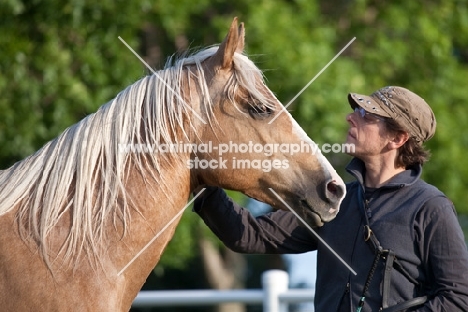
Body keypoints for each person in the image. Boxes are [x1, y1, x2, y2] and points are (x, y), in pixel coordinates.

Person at [193, 86, 468, 311]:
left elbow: (458, 298)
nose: (351, 117)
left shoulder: (431, 207)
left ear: (397, 138)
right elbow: (249, 235)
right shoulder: (336, 202)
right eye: (356, 110)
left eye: (366, 114)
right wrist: (201, 175)